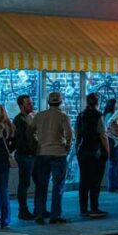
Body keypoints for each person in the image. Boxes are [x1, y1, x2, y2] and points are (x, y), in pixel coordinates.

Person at [33, 90, 73, 224]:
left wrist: (37, 142)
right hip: (58, 153)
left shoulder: (39, 115)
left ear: (48, 102)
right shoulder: (63, 117)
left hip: (42, 152)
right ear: (60, 102)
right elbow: (69, 134)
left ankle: (39, 213)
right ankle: (55, 215)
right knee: (58, 185)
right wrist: (67, 146)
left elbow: (31, 130)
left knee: (41, 185)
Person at [76, 92, 110, 218]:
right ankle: (94, 207)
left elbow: (77, 133)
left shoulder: (81, 115)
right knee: (95, 181)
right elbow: (103, 135)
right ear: (97, 102)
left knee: (84, 181)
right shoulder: (98, 116)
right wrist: (107, 151)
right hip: (95, 152)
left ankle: (83, 208)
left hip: (82, 151)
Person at [12, 94, 37, 221]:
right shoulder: (19, 121)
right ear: (21, 106)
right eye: (28, 103)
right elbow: (21, 141)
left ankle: (38, 208)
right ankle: (23, 210)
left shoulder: (31, 117)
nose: (31, 105)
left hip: (32, 155)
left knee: (37, 182)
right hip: (25, 155)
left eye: (31, 103)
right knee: (24, 183)